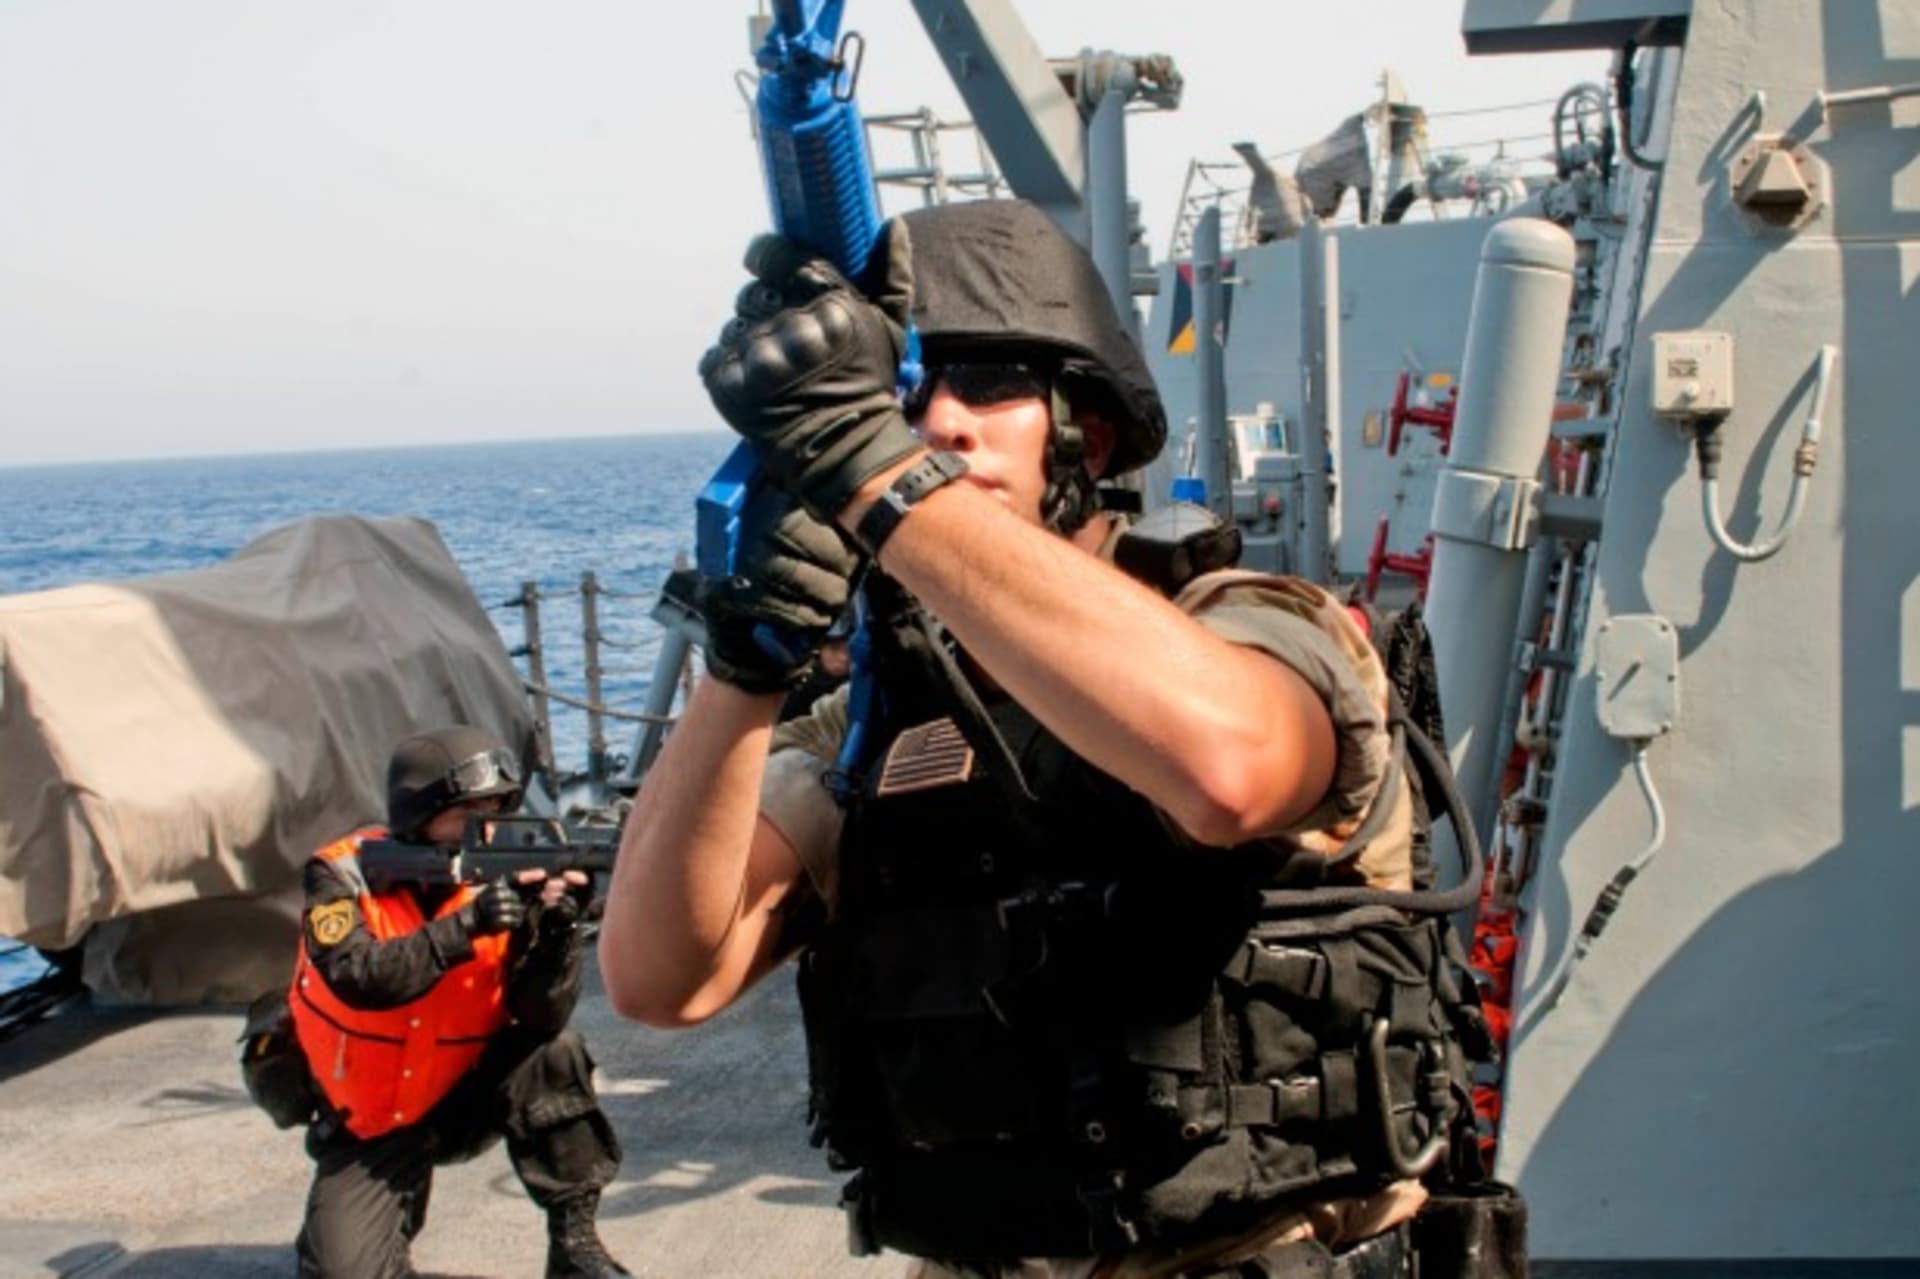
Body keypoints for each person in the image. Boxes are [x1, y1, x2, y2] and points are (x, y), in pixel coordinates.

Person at [600, 200, 1493, 1277]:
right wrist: (743, 663)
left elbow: (1229, 771)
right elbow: (661, 976)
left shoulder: (1257, 626)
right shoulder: (881, 724)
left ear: (1089, 435)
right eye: (907, 391)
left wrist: (871, 464)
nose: (939, 420)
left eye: (987, 385)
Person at [286, 725, 631, 1279]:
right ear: (422, 812)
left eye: (497, 809)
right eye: (471, 813)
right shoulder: (342, 874)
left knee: (555, 1052)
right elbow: (359, 978)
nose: (488, 827)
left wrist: (559, 929)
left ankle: (574, 1241)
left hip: (465, 1093)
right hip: (374, 1115)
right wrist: (468, 923)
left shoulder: (503, 874)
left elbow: (542, 1014)